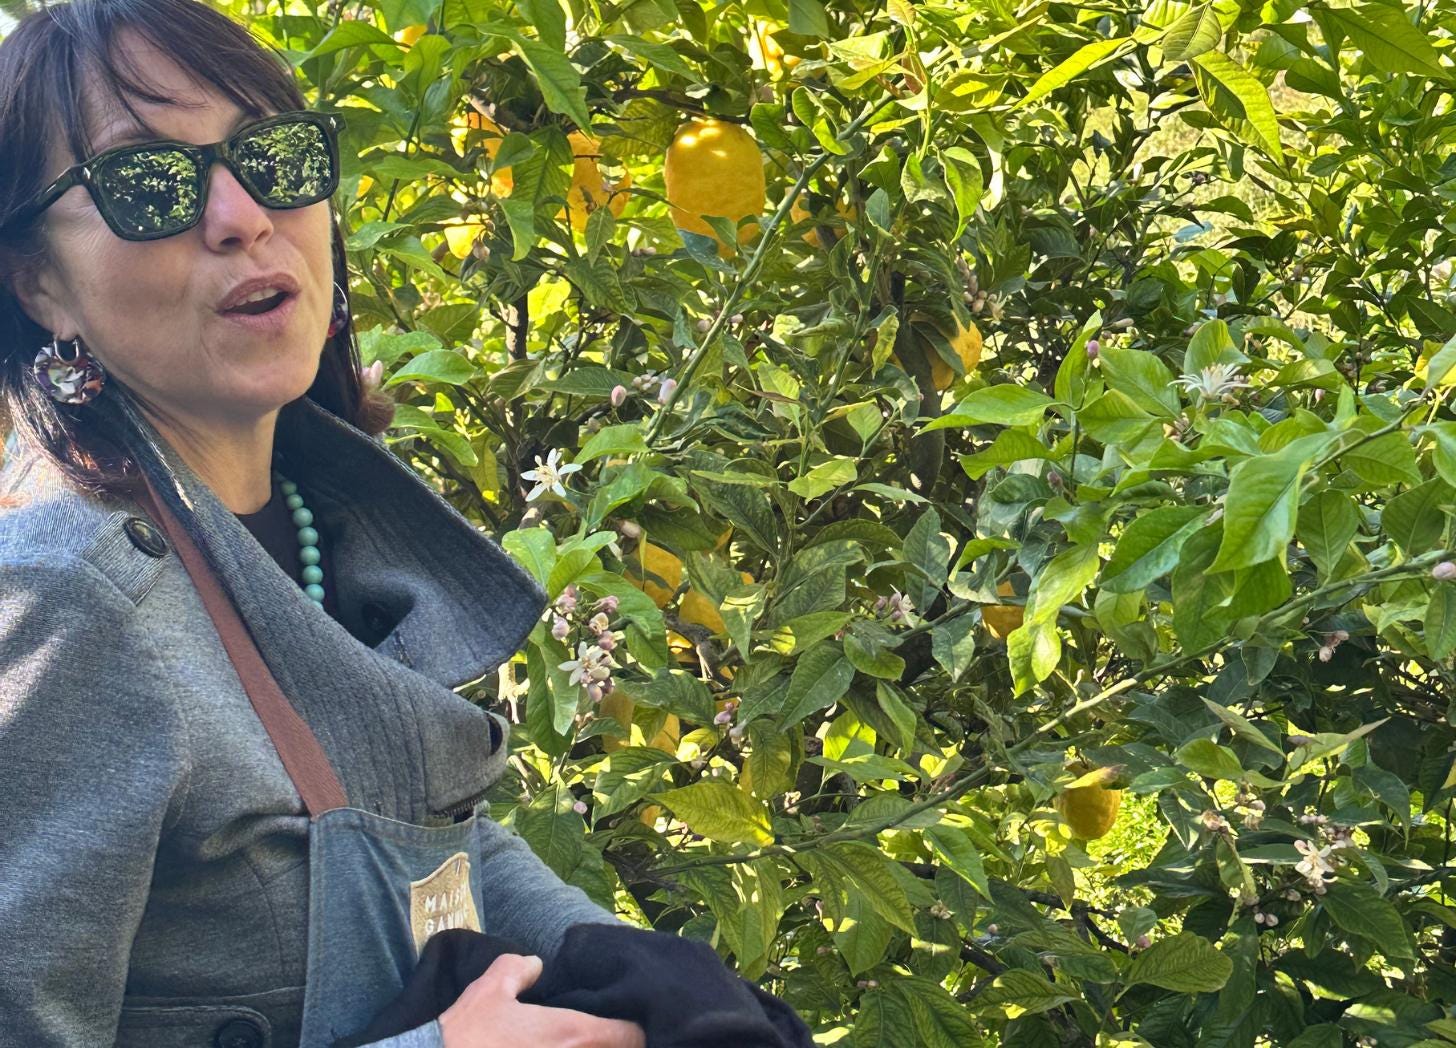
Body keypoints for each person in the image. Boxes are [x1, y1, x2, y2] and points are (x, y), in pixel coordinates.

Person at [0, 1, 654, 1045]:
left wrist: (654, 985)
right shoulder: (62, 602)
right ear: (39, 284)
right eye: (151, 182)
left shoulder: (315, 523)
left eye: (274, 155)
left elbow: (428, 831)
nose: (241, 213)